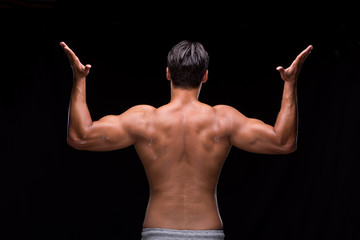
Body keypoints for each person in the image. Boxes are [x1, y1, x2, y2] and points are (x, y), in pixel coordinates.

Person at [60, 40, 312, 240]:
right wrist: (290, 83)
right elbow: (283, 142)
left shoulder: (144, 120)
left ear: (168, 73)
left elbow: (80, 136)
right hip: (207, 233)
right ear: (204, 76)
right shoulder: (222, 120)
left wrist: (79, 79)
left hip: (157, 232)